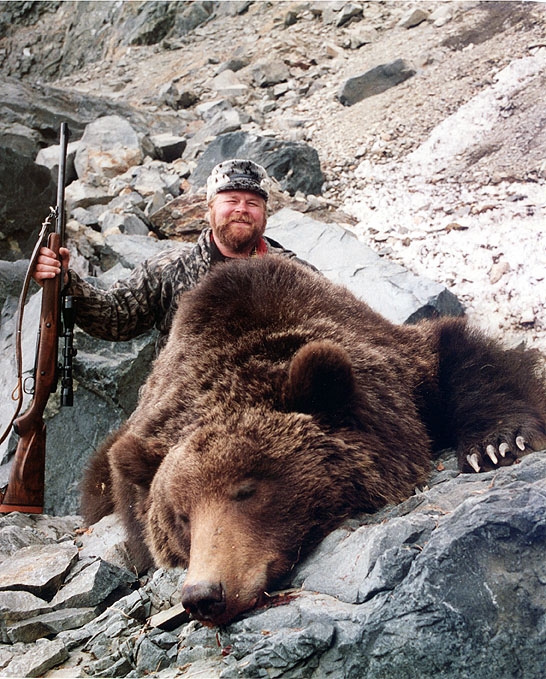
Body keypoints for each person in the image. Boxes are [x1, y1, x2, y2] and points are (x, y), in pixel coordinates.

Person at [32, 159, 312, 351]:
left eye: (252, 203)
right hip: (180, 408)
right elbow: (115, 318)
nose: (241, 209)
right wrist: (65, 281)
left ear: (265, 215)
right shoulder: (169, 268)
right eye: (231, 200)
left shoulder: (296, 277)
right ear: (210, 210)